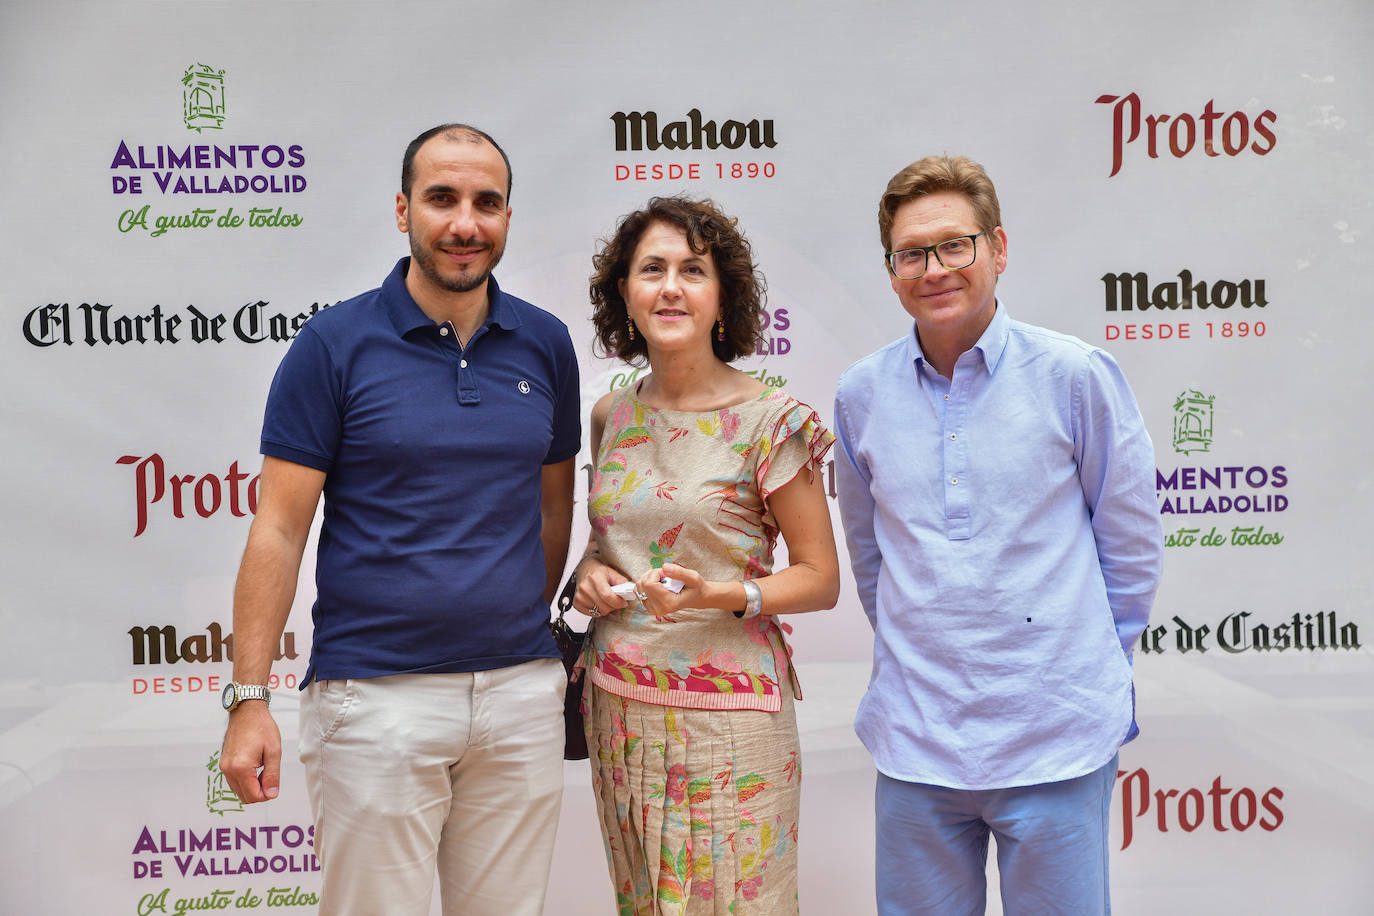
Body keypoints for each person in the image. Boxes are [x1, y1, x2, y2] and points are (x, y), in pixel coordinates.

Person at [217, 123, 581, 916]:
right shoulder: (333, 345)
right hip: (374, 700)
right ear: (402, 209)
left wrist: (504, 621)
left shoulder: (546, 345)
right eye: (442, 198)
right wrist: (249, 699)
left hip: (519, 698)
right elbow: (277, 529)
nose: (464, 223)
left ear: (508, 218)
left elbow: (554, 511)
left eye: (487, 203)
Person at [833, 155, 1164, 915]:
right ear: (891, 270)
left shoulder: (1074, 375)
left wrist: (1079, 664)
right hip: (918, 743)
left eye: (956, 244)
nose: (934, 268)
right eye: (911, 253)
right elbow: (871, 556)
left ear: (998, 248)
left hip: (1055, 736)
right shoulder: (861, 393)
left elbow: (1131, 544)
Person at [572, 195, 840, 915]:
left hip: (730, 716)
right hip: (619, 703)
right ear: (624, 294)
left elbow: (820, 581)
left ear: (723, 298)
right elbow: (608, 545)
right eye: (651, 269)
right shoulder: (611, 414)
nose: (669, 286)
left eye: (692, 270)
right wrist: (590, 576)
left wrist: (718, 595)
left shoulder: (773, 421)